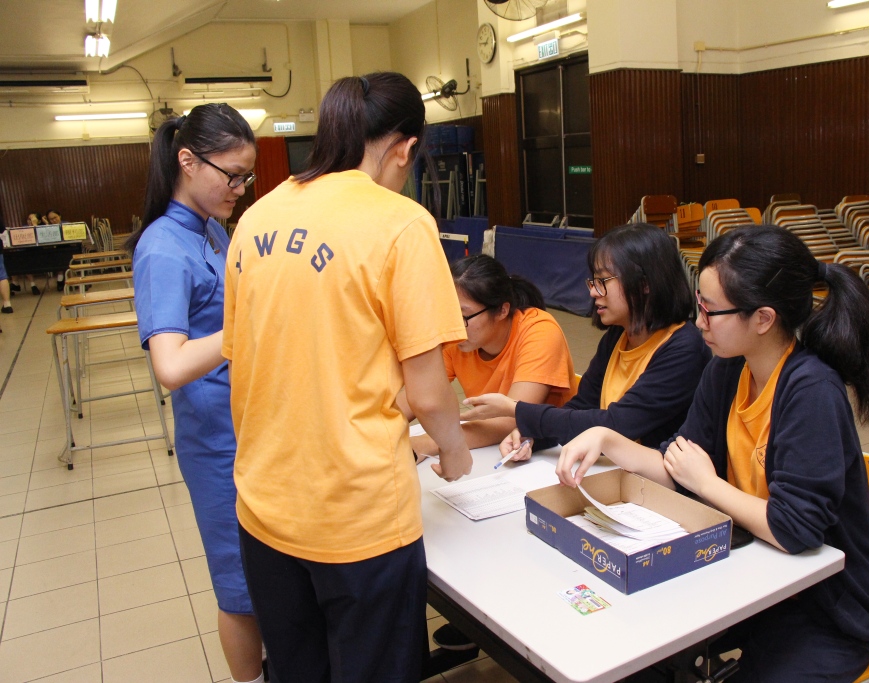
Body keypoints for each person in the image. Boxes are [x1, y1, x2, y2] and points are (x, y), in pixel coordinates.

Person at [557, 225, 869, 682]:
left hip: (825, 607)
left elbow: (795, 529)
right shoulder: (727, 370)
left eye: (710, 311)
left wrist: (707, 483)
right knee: (631, 647)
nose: (699, 323)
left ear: (763, 318)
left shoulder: (811, 391)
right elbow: (677, 466)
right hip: (752, 579)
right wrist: (607, 439)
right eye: (699, 305)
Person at [223, 72, 472, 683]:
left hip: (264, 509)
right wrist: (455, 450)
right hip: (358, 520)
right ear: (405, 148)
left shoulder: (257, 217)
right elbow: (428, 392)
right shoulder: (402, 223)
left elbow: (244, 356)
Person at [127, 103, 265, 683]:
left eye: (246, 177)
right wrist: (245, 328)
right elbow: (171, 364)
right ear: (187, 161)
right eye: (230, 175)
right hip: (216, 443)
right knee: (239, 587)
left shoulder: (210, 228)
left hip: (250, 426)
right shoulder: (162, 247)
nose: (239, 189)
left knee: (267, 573)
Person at [462, 222, 711, 461]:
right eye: (593, 281)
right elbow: (582, 407)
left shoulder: (683, 349)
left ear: (644, 284)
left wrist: (517, 410)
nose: (592, 292)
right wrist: (533, 437)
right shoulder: (618, 335)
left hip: (653, 483)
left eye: (603, 282)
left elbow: (615, 424)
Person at [400, 253, 578, 458]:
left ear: (502, 310)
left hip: (550, 451)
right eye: (448, 314)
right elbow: (417, 395)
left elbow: (512, 418)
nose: (454, 326)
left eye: (463, 316)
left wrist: (427, 444)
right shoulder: (457, 336)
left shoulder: (539, 331)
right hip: (493, 446)